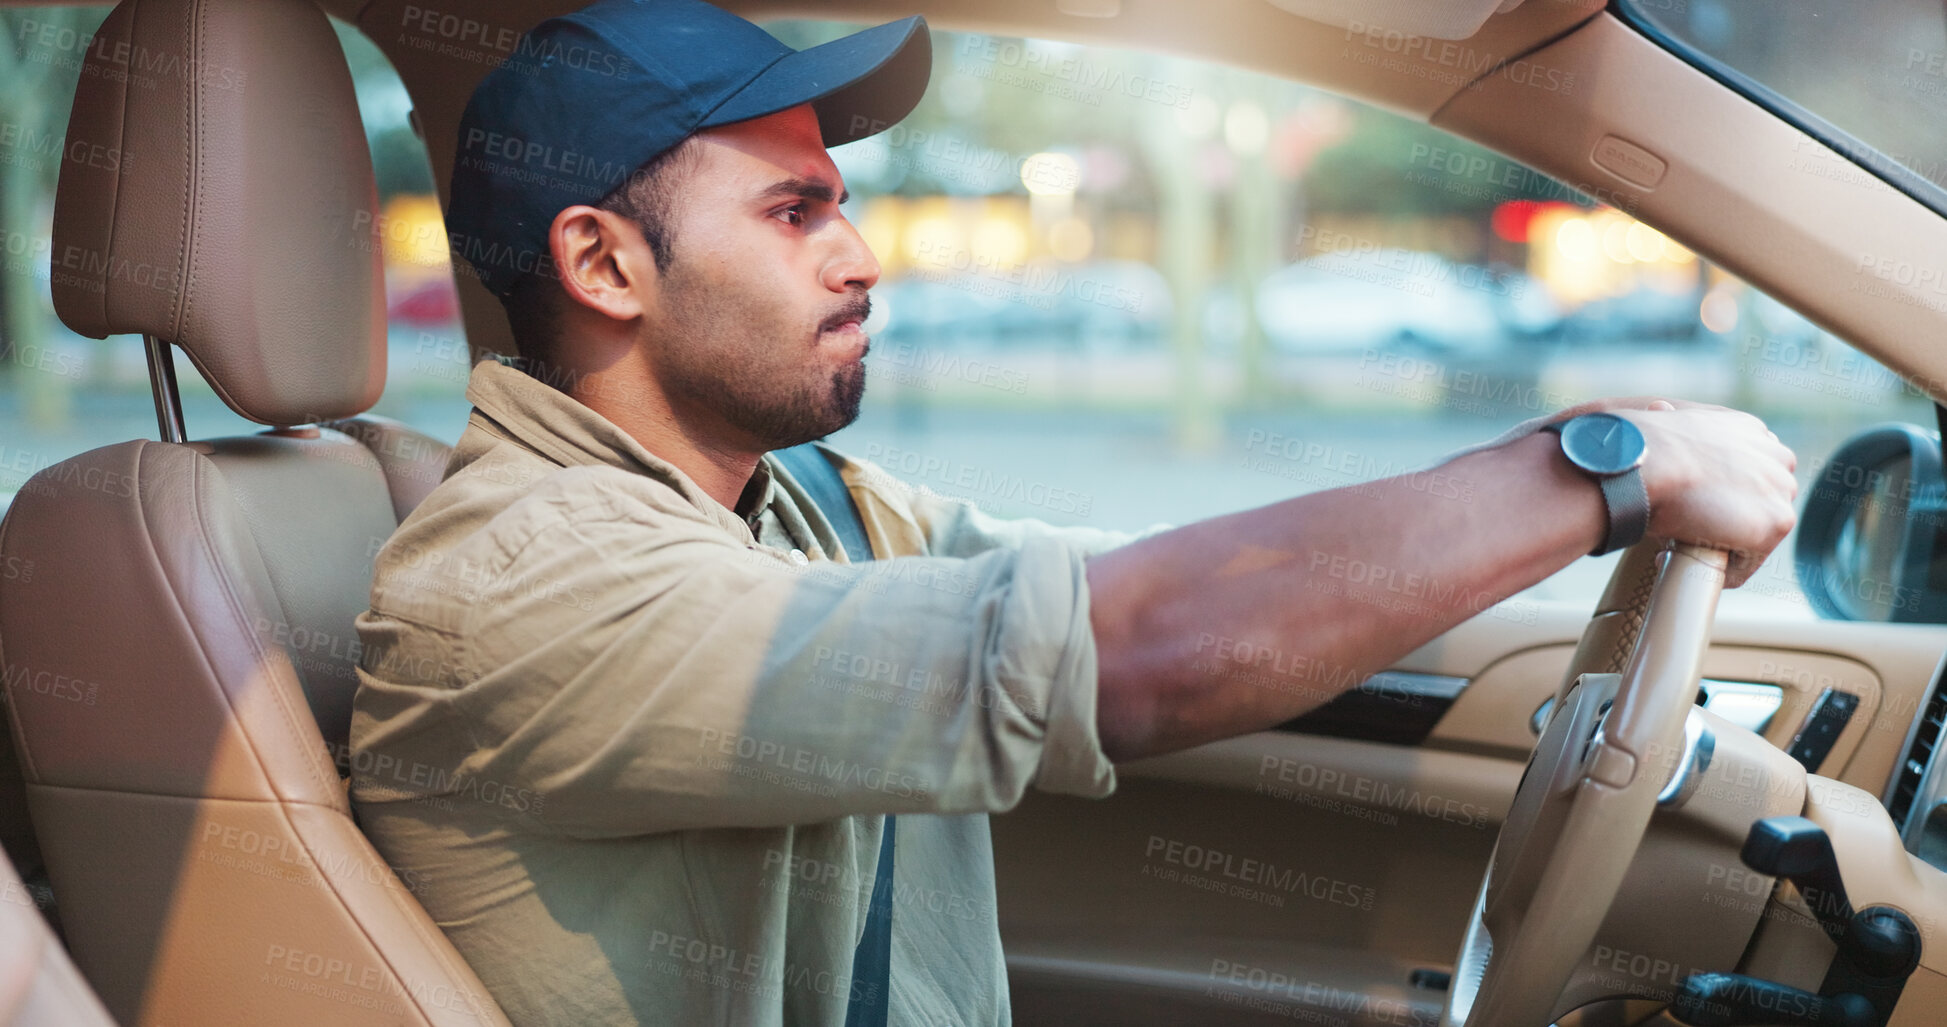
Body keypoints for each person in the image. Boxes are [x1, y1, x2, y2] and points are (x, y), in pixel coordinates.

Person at [348, 1, 1800, 1024]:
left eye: (842, 205)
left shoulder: (798, 511)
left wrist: (1527, 488)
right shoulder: (523, 584)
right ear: (604, 265)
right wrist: (1603, 469)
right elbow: (1148, 648)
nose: (863, 258)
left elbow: (1162, 587)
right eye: (795, 214)